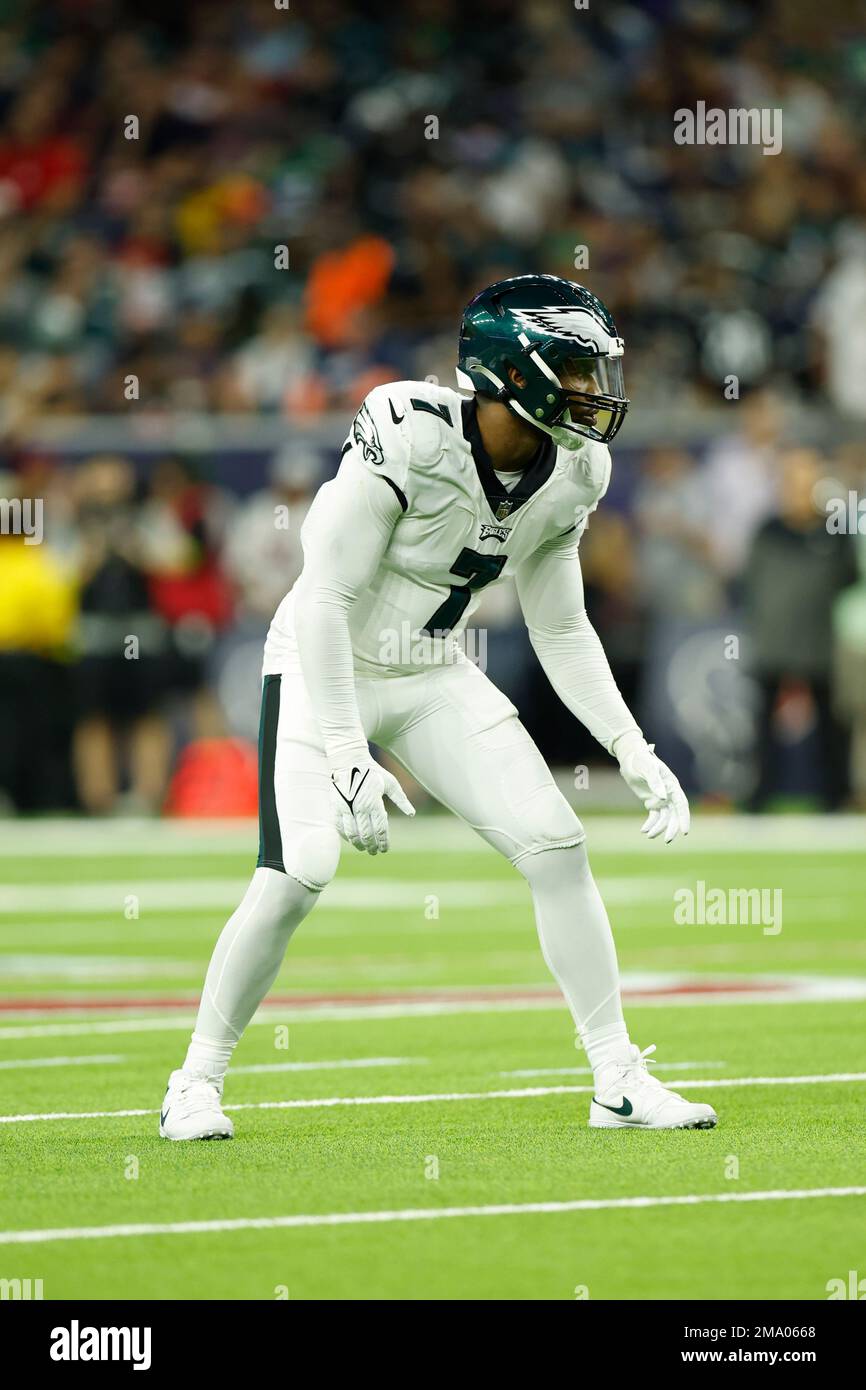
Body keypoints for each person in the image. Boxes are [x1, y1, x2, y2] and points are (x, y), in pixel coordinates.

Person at [160, 274, 717, 1139]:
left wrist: (630, 744)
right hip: (322, 661)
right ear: (513, 373)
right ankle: (195, 1080)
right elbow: (323, 598)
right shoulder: (407, 430)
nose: (591, 394)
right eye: (574, 372)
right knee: (298, 871)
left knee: (558, 844)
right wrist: (347, 750)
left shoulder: (575, 468)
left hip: (427, 670)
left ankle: (618, 1077)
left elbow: (560, 622)